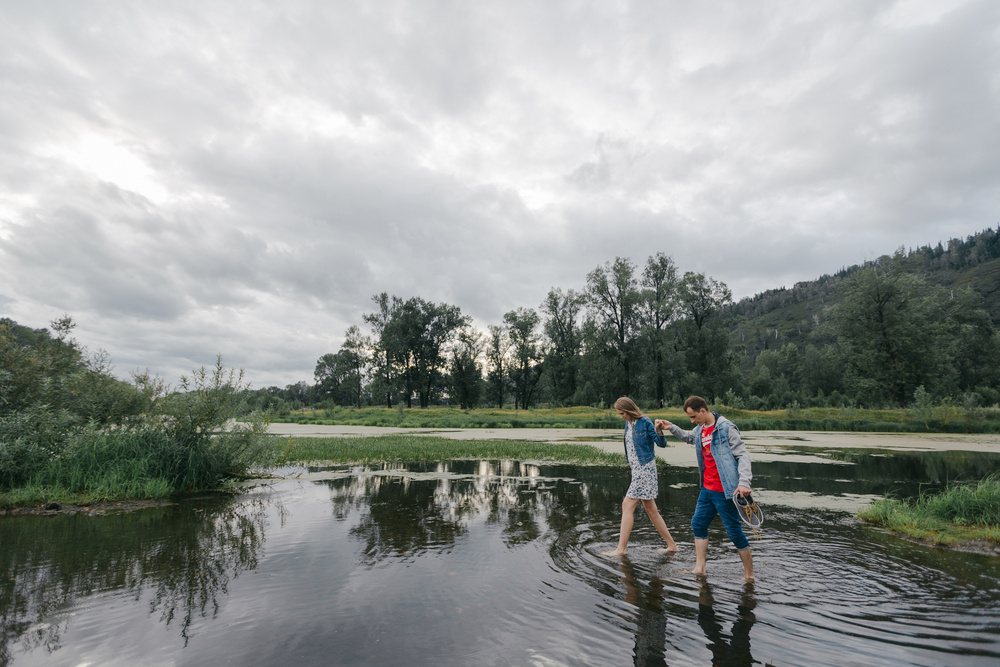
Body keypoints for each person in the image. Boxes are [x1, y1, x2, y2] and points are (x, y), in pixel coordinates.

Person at [656, 395, 755, 582]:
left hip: (725, 490)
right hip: (707, 489)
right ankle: (699, 569)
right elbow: (689, 437)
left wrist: (744, 483)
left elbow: (743, 456)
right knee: (698, 523)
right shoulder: (701, 429)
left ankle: (749, 576)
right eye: (690, 419)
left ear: (703, 410)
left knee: (733, 531)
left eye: (693, 417)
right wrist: (672, 428)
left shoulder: (726, 428)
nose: (693, 421)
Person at [605, 397, 678, 556]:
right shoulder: (628, 423)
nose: (621, 416)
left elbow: (661, 444)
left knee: (627, 505)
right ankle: (672, 545)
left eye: (622, 413)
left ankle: (621, 549)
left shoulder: (645, 422)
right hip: (636, 470)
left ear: (629, 410)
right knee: (651, 510)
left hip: (644, 469)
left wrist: (659, 430)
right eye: (619, 413)